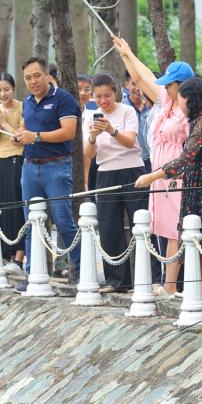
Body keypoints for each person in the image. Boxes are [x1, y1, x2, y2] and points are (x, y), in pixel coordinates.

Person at [134, 78, 202, 301]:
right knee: (193, 241)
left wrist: (153, 176)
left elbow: (186, 158)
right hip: (198, 188)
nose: (178, 102)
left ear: (191, 99)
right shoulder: (198, 122)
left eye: (181, 97)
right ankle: (193, 292)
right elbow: (192, 162)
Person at [113, 36, 191, 295]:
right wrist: (127, 54)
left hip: (175, 175)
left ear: (181, 85)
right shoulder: (166, 102)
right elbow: (144, 77)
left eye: (170, 84)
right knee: (166, 229)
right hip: (159, 174)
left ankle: (179, 285)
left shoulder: (188, 109)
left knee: (177, 230)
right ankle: (169, 285)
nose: (165, 88)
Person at [13, 56, 81, 290]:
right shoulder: (27, 102)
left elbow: (69, 132)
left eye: (36, 76)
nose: (32, 81)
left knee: (63, 221)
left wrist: (37, 136)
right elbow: (26, 128)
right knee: (32, 222)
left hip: (57, 165)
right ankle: (33, 274)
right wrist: (21, 135)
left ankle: (81, 271)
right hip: (30, 166)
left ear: (47, 76)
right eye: (27, 78)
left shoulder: (63, 99)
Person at [83, 73, 147, 293]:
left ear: (116, 92)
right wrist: (92, 136)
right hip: (105, 172)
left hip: (132, 169)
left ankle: (148, 277)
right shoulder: (90, 116)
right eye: (99, 96)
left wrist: (111, 130)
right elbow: (89, 153)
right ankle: (116, 280)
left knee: (140, 222)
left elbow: (130, 142)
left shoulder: (127, 111)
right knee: (109, 227)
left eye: (108, 95)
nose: (103, 101)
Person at [0, 73, 26, 271]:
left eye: (6, 89)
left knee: (16, 206)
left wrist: (3, 123)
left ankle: (19, 257)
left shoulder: (21, 107)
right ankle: (6, 255)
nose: (2, 94)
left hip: (16, 159)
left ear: (13, 88)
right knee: (1, 207)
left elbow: (19, 136)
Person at [123, 73, 154, 172]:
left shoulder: (153, 107)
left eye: (141, 84)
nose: (138, 88)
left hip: (152, 159)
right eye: (134, 84)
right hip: (131, 161)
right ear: (126, 85)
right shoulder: (122, 108)